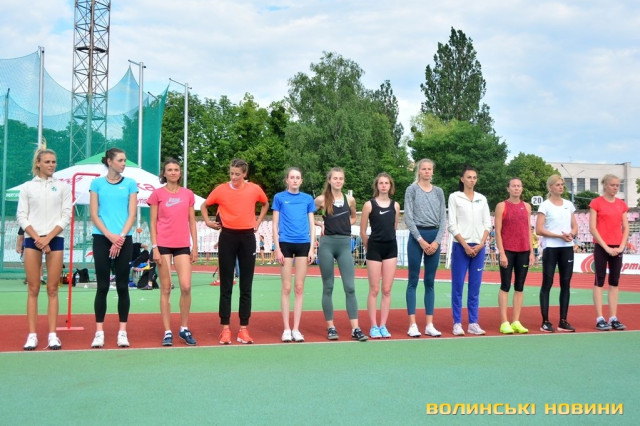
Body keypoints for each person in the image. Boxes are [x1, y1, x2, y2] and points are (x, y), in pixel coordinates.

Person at [201, 158, 269, 344]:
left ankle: (243, 330)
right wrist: (207, 222)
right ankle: (225, 329)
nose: (233, 177)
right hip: (227, 237)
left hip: (247, 238)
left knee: (246, 286)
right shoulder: (221, 190)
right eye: (231, 173)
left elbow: (265, 203)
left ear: (245, 174)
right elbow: (204, 205)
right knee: (226, 285)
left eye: (237, 174)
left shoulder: (254, 189)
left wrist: (258, 221)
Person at [17, 148, 72, 350]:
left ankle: (52, 335)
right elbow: (22, 216)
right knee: (33, 288)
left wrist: (48, 238)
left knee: (52, 288)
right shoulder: (27, 187)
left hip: (55, 239)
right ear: (38, 163)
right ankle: (32, 335)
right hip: (32, 240)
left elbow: (66, 215)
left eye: (54, 162)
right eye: (47, 162)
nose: (51, 165)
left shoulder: (63, 187)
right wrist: (37, 238)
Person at [89, 147, 138, 348]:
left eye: (125, 160)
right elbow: (94, 214)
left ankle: (122, 332)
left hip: (124, 239)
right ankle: (99, 332)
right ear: (109, 161)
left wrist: (120, 238)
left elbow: (132, 214)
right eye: (120, 160)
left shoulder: (130, 183)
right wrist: (110, 236)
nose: (124, 163)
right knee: (102, 286)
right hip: (102, 238)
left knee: (122, 286)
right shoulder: (96, 184)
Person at [148, 158, 199, 346]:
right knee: (166, 287)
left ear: (180, 172)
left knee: (186, 286)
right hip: (162, 244)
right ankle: (167, 331)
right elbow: (152, 222)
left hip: (182, 245)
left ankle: (184, 328)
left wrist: (195, 246)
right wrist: (154, 247)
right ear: (164, 173)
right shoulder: (157, 194)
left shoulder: (188, 194)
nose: (173, 172)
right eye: (169, 170)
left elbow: (192, 221)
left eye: (176, 169)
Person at [315, 167, 367, 341]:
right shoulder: (321, 199)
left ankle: (355, 328)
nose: (338, 181)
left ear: (343, 181)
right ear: (329, 180)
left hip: (344, 245)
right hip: (327, 245)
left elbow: (353, 217)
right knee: (328, 287)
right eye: (335, 178)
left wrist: (344, 223)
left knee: (350, 287)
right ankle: (331, 327)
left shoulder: (349, 199)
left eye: (341, 178)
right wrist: (319, 224)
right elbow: (307, 215)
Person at [272, 167, 316, 343]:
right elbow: (274, 224)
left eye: (298, 177)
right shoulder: (279, 198)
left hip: (303, 244)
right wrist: (277, 248)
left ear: (301, 181)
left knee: (299, 287)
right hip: (285, 244)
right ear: (287, 180)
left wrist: (312, 248)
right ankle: (286, 329)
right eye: (292, 177)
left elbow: (312, 224)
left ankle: (296, 329)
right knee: (286, 287)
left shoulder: (307, 199)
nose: (295, 180)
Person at [403, 159, 446, 338]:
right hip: (417, 237)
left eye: (430, 169)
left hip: (434, 237)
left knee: (430, 281)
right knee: (413, 280)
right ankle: (413, 324)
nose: (427, 171)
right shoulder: (411, 190)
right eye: (424, 169)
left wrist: (437, 241)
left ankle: (429, 324)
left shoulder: (439, 192)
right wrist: (420, 239)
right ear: (419, 171)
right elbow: (408, 217)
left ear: (432, 172)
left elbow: (443, 218)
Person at [447, 165, 491, 336]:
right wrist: (465, 245)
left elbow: (487, 224)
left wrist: (481, 244)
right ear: (462, 179)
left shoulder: (482, 199)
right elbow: (452, 224)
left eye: (474, 177)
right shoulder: (455, 197)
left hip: (479, 247)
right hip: (461, 246)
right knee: (457, 286)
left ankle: (473, 322)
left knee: (475, 287)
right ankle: (457, 323)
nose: (472, 180)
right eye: (469, 177)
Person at [536, 174, 578, 333]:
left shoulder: (568, 204)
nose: (561, 187)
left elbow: (575, 226)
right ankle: (545, 321)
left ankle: (563, 321)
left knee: (566, 284)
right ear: (550, 187)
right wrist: (559, 236)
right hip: (551, 248)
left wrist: (571, 234)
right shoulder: (545, 206)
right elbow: (539, 229)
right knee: (547, 283)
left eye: (562, 184)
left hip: (567, 248)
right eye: (557, 184)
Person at [360, 172, 400, 339]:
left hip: (391, 249)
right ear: (377, 185)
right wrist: (369, 247)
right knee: (374, 289)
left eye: (386, 183)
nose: (384, 185)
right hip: (374, 249)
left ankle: (383, 325)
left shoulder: (395, 206)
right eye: (381, 183)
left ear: (390, 186)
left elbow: (394, 227)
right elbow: (363, 231)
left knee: (387, 289)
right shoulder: (369, 205)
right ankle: (374, 326)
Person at [589, 174, 629, 331]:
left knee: (614, 282)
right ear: (605, 185)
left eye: (617, 185)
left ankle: (613, 317)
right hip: (601, 246)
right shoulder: (596, 203)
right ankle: (600, 318)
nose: (615, 188)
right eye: (612, 185)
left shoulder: (621, 205)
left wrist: (621, 246)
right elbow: (592, 228)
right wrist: (606, 247)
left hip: (617, 247)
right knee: (599, 281)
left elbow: (625, 227)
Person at [494, 178, 534, 334]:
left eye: (519, 186)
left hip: (524, 251)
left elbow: (528, 230)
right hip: (508, 251)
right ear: (508, 188)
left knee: (520, 286)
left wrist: (531, 252)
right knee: (505, 285)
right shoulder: (502, 206)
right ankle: (504, 322)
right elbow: (498, 231)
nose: (516, 188)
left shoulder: (527, 207)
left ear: (522, 189)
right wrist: (502, 253)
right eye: (513, 186)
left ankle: (516, 321)